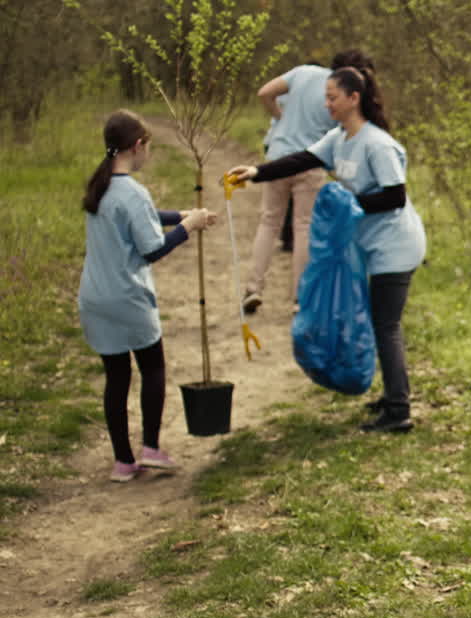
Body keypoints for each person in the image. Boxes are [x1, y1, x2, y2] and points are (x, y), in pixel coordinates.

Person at [228, 63, 426, 433]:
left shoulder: (377, 143)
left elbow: (395, 196)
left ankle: (399, 411)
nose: (327, 105)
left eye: (332, 98)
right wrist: (256, 172)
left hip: (396, 246)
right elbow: (301, 158)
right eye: (326, 98)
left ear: (354, 99)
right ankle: (391, 397)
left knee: (386, 326)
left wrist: (350, 208)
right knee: (380, 321)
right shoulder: (339, 138)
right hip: (372, 245)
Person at [78, 109, 218, 482]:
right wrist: (188, 226)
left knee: (116, 378)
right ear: (138, 146)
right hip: (128, 298)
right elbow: (152, 250)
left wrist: (177, 215)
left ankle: (123, 462)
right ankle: (151, 448)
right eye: (148, 147)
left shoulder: (100, 186)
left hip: (95, 299)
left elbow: (142, 215)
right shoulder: (133, 192)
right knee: (153, 367)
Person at [241, 50, 377, 315]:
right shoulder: (341, 94)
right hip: (312, 162)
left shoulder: (303, 73)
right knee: (303, 227)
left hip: (278, 156)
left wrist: (280, 116)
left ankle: (253, 288)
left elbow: (264, 93)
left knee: (269, 222)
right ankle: (299, 297)